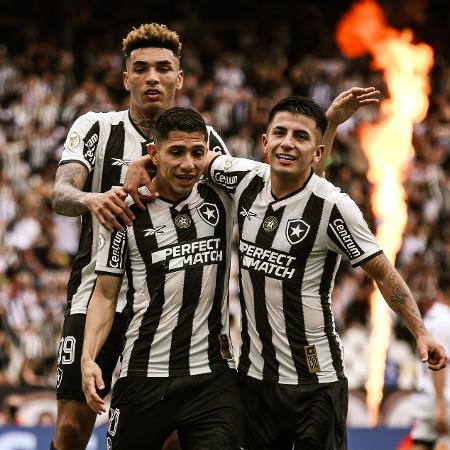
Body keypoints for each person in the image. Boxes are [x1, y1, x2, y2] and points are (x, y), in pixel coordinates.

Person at [125, 96, 447, 450]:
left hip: (316, 382)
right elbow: (189, 156)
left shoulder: (333, 207)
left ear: (318, 151)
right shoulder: (243, 179)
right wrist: (140, 163)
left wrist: (420, 332)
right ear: (265, 142)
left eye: (301, 137)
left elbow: (384, 274)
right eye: (279, 133)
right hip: (254, 382)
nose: (287, 143)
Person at [51, 23, 228, 450]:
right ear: (125, 77)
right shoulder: (95, 128)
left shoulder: (204, 142)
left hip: (167, 305)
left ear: (179, 79)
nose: (153, 77)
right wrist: (93, 200)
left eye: (164, 68)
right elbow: (61, 192)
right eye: (142, 68)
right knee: (72, 428)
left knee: (170, 439)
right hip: (98, 291)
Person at [81, 106, 243, 449]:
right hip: (143, 375)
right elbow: (106, 295)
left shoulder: (223, 197)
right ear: (154, 153)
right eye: (177, 152)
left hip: (212, 377)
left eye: (197, 152)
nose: (188, 164)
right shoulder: (126, 210)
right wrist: (88, 357)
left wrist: (329, 127)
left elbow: (295, 184)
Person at [411, 273, 450, 450]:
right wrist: (441, 403)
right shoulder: (444, 321)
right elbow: (438, 364)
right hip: (441, 397)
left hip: (424, 393)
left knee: (421, 443)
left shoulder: (429, 318)